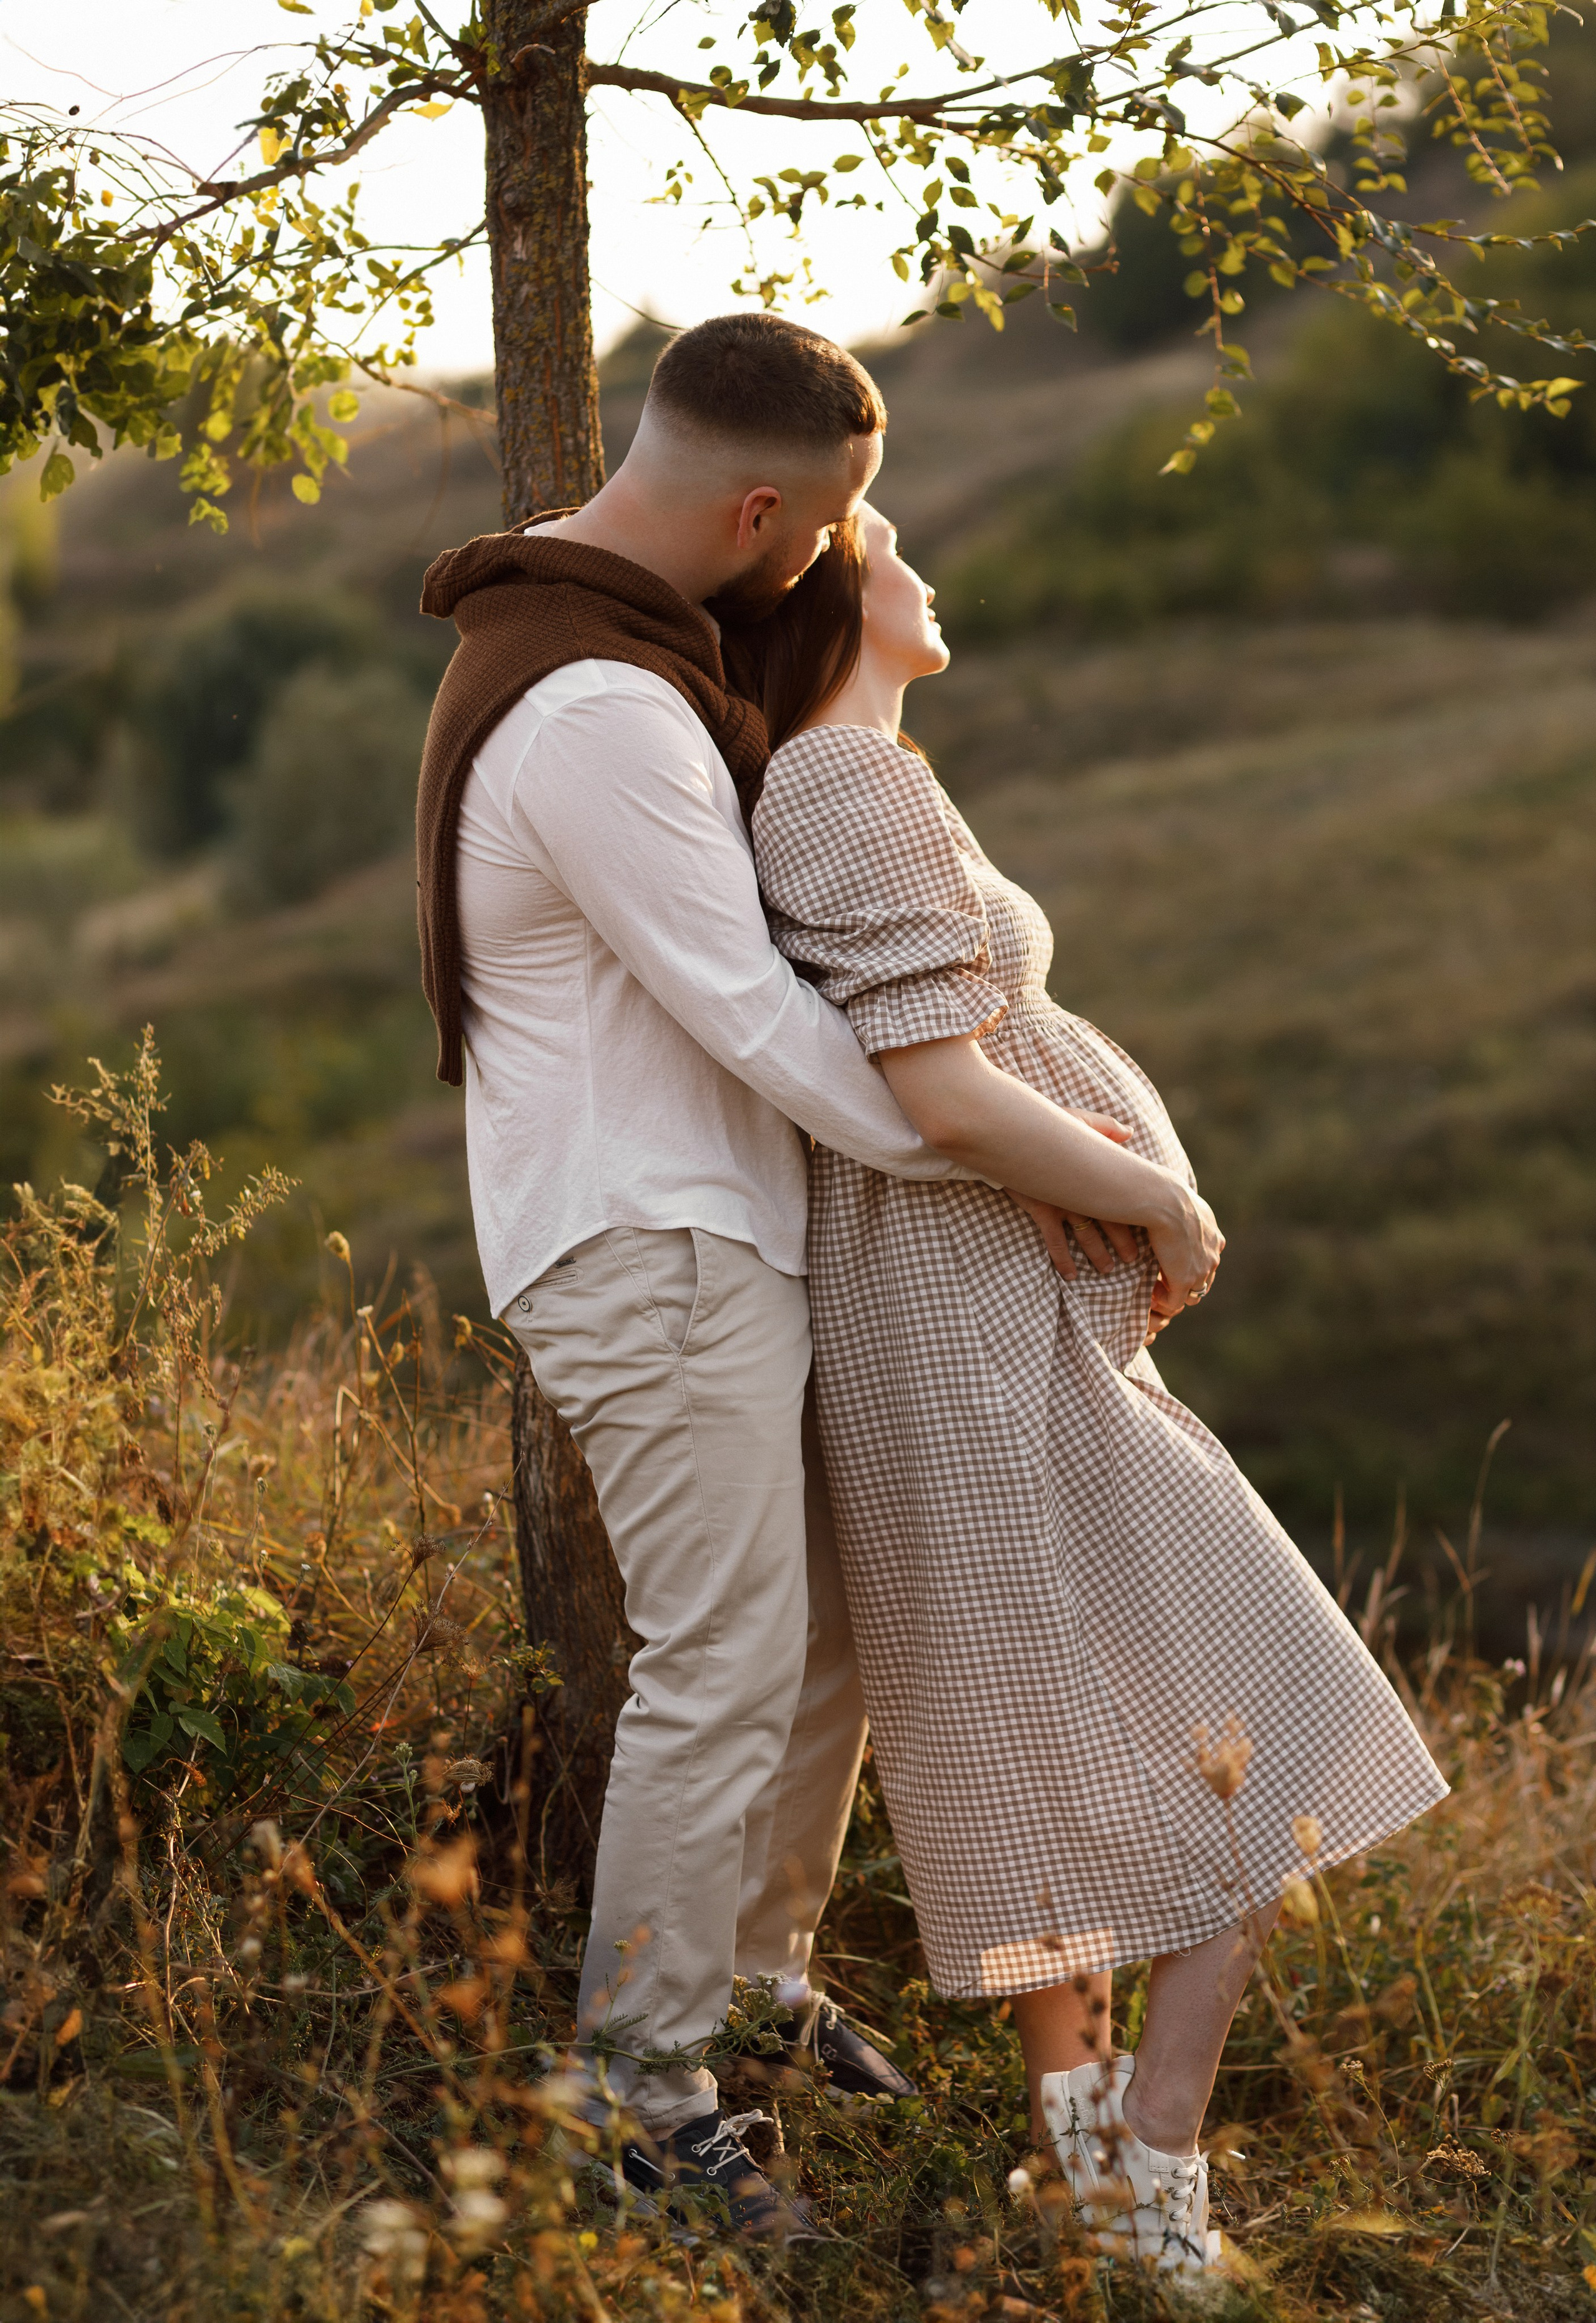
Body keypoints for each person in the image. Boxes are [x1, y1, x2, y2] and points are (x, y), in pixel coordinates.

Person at [728, 504, 1449, 2271]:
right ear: (834, 598)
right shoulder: (840, 780)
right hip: (976, 1337)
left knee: (1044, 1747)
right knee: (1266, 1726)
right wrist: (1161, 1201)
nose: (926, 575)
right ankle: (1154, 2168)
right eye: (892, 549)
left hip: (981, 1321)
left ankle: (1091, 2184)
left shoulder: (868, 776)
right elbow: (942, 1089)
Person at [415, 316, 1034, 2239]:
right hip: (650, 1240)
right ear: (757, 509)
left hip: (711, 1228)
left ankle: (754, 1981)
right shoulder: (599, 710)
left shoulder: (612, 636)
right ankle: (636, 2091)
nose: (830, 558)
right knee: (725, 1662)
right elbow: (754, 1015)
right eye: (826, 526)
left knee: (816, 1637)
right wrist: (1002, 1153)